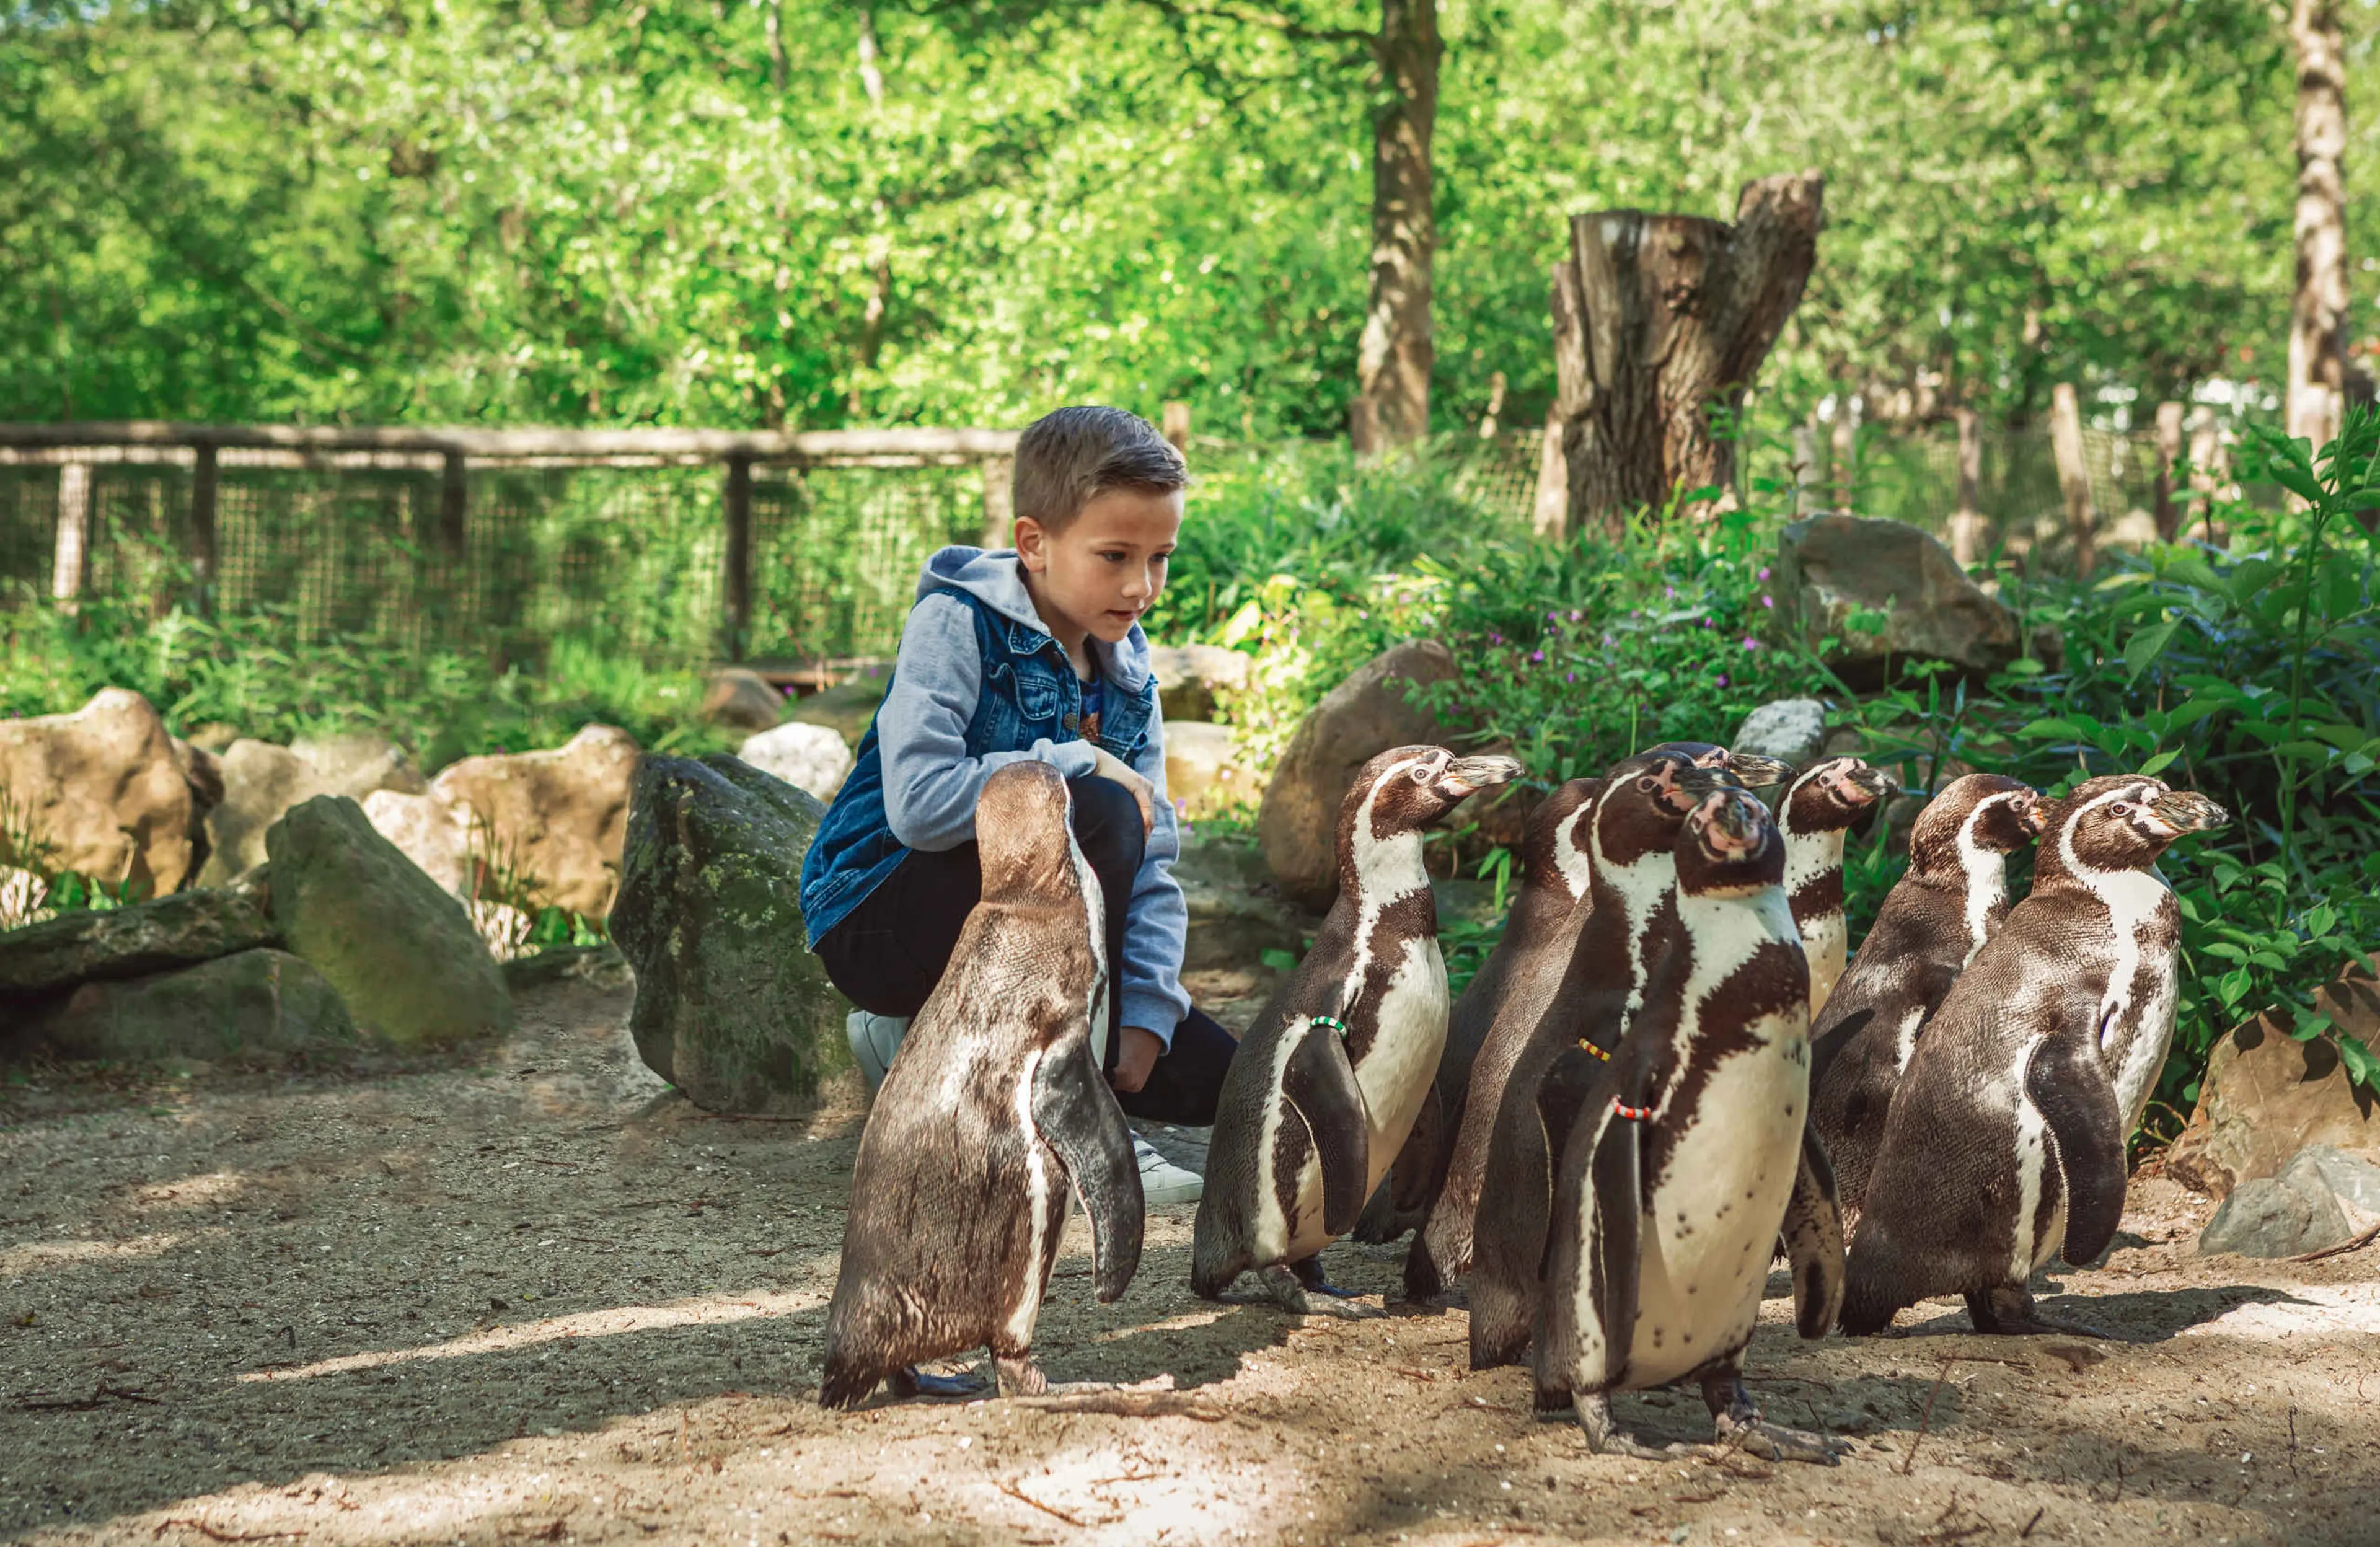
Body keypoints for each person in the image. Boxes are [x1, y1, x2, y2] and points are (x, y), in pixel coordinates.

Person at [799, 405, 1236, 1205]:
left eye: (1160, 558)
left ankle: (924, 1050)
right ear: (1033, 542)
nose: (1141, 587)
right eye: (1114, 556)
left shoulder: (1129, 671)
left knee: (1221, 1078)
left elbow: (1155, 855)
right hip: (882, 917)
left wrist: (1143, 1011)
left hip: (1024, 946)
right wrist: (1076, 758)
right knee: (1095, 806)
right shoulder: (955, 622)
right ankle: (1071, 1122)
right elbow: (922, 807)